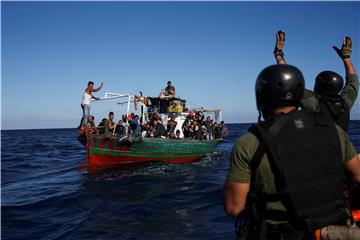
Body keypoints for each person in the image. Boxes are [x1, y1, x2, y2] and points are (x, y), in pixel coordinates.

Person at [223, 64, 360, 240]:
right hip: (335, 228)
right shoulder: (335, 132)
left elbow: (234, 207)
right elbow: (357, 176)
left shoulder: (249, 143)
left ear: (260, 97)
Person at [274, 31, 359, 132]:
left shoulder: (314, 104)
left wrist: (278, 53)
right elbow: (353, 81)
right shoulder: (345, 103)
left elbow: (289, 80)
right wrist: (346, 57)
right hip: (339, 147)